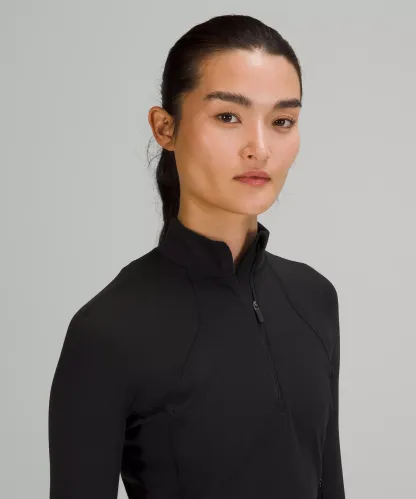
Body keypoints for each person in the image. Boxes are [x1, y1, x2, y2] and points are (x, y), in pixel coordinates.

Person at [48, 13, 346, 499]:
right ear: (165, 127)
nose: (259, 148)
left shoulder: (314, 299)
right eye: (228, 116)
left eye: (282, 121)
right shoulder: (107, 332)